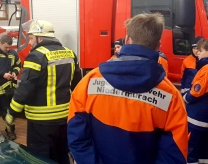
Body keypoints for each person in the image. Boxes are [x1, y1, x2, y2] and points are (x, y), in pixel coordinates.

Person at [68, 14, 188, 164]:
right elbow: (174, 154)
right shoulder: (171, 96)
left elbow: (77, 137)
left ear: (127, 40)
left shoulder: (89, 82)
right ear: (158, 45)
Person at [5, 19, 81, 164]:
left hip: (41, 121)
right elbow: (77, 84)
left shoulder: (36, 56)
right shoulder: (70, 53)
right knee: (61, 154)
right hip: (65, 117)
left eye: (31, 38)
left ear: (40, 38)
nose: (29, 42)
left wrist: (11, 113)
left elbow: (25, 89)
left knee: (40, 158)